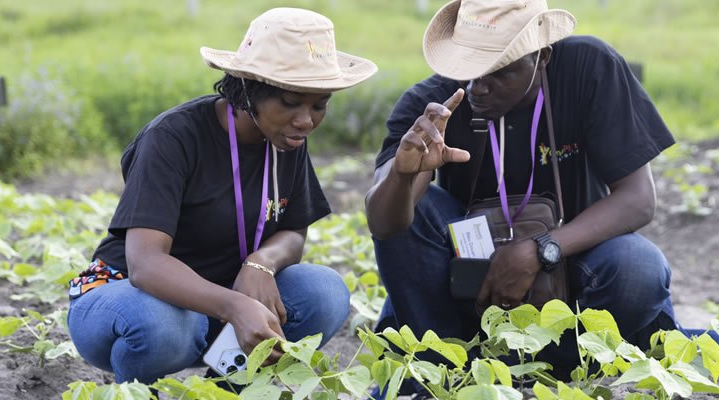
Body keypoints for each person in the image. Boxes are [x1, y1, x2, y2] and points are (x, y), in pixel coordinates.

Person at [365, 0, 680, 379]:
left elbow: (638, 200)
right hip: (471, 276)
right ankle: (447, 366)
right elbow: (384, 225)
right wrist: (402, 174)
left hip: (574, 268)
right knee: (418, 210)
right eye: (471, 68)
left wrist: (541, 249)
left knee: (638, 269)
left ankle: (555, 366)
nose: (479, 86)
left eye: (500, 72)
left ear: (542, 57)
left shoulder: (588, 68)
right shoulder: (431, 105)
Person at [66, 7, 377, 384]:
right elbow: (145, 264)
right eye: (290, 102)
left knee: (324, 293)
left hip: (225, 300)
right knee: (162, 326)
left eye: (319, 104)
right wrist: (235, 305)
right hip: (130, 294)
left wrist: (260, 263)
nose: (306, 120)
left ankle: (228, 387)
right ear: (249, 89)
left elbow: (293, 233)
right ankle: (135, 391)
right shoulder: (174, 138)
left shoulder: (287, 140)